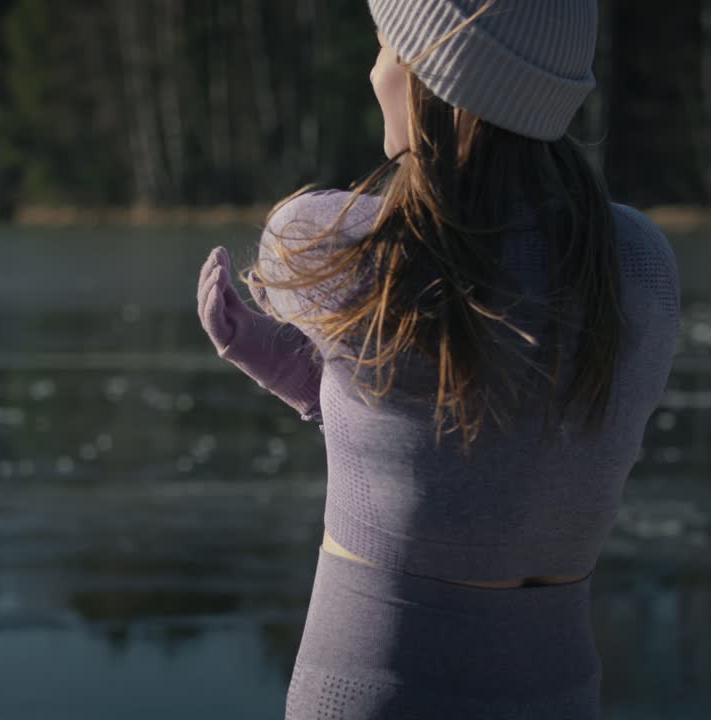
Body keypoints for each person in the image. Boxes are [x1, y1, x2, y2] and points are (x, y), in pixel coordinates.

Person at [196, 0, 680, 717]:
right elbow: (488, 464)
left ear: (436, 79)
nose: (373, 72)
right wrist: (316, 384)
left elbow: (431, 416)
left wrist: (299, 374)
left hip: (367, 690)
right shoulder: (636, 264)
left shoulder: (325, 242)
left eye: (388, 46)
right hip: (561, 694)